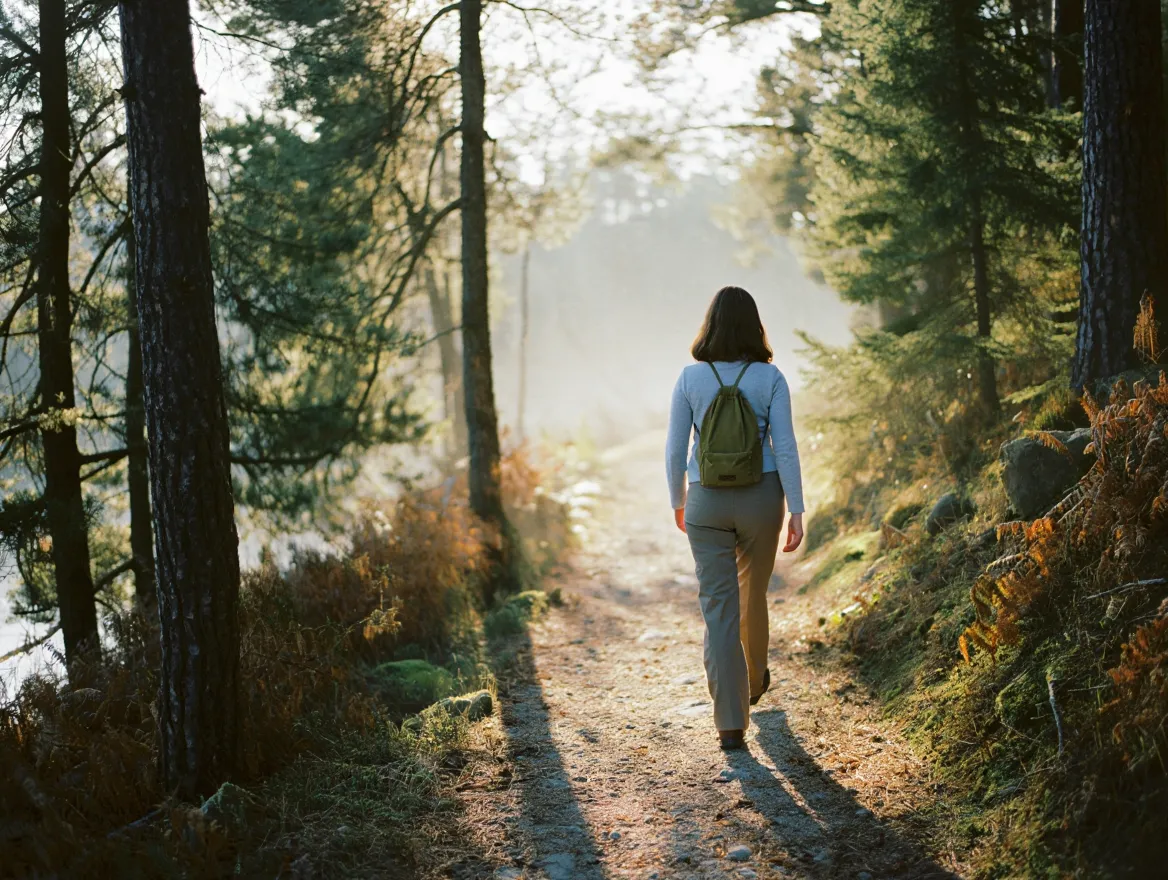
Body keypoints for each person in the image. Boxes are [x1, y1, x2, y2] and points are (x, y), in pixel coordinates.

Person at [665, 285, 805, 750]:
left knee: (719, 610)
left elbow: (674, 448)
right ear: (754, 326)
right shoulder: (771, 378)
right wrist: (797, 509)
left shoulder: (690, 377)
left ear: (710, 325)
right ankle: (754, 681)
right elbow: (784, 447)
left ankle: (730, 722)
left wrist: (678, 501)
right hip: (763, 499)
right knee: (754, 595)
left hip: (705, 498)